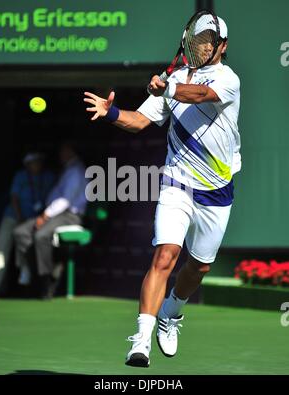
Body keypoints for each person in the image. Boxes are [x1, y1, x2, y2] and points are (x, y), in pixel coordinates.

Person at [84, 15, 240, 367]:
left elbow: (201, 94)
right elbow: (139, 121)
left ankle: (172, 312)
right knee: (165, 255)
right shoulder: (173, 79)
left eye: (209, 39)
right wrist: (111, 113)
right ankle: (140, 341)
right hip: (177, 181)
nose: (201, 44)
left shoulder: (228, 80)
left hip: (216, 190)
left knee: (198, 268)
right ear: (188, 40)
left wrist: (168, 88)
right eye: (196, 38)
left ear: (221, 47)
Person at [13, 142, 88, 299]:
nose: (60, 153)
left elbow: (65, 201)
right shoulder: (66, 169)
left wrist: (45, 216)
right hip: (55, 214)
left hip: (69, 216)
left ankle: (45, 281)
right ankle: (36, 271)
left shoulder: (76, 171)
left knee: (41, 236)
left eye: (63, 149)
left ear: (71, 150)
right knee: (20, 232)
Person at [0, 153, 54, 301]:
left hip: (32, 220)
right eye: (32, 162)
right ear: (27, 165)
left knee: (27, 238)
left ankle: (25, 269)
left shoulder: (48, 177)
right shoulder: (20, 176)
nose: (36, 165)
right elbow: (14, 198)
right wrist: (19, 219)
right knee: (1, 251)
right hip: (12, 217)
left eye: (38, 161)